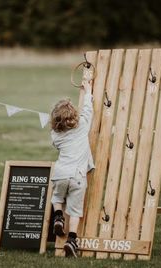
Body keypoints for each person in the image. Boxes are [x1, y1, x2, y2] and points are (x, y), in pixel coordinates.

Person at [50, 80, 95, 257]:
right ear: (74, 116)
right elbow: (88, 110)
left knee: (56, 197)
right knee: (75, 210)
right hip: (77, 176)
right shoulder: (82, 126)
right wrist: (89, 90)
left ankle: (59, 217)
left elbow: (57, 139)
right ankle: (72, 240)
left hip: (60, 173)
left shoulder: (55, 135)